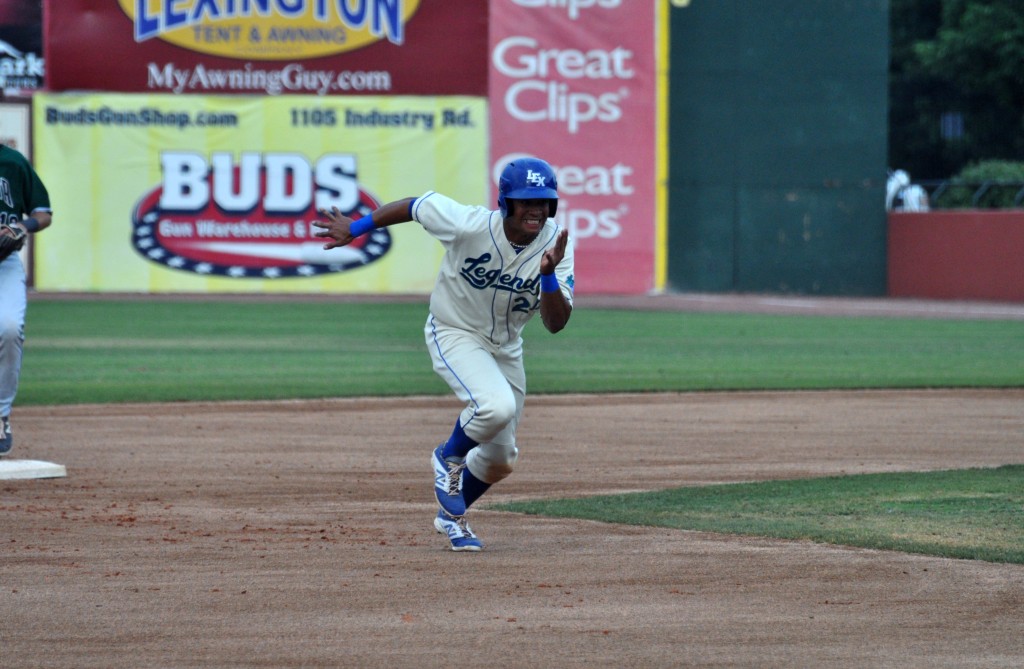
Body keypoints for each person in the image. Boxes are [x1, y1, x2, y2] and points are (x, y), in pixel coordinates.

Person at [313, 156, 574, 552]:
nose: (535, 208)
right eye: (526, 200)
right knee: (495, 406)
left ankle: (451, 517)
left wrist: (548, 274)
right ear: (506, 202)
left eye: (543, 201)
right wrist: (357, 227)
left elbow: (556, 323)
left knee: (502, 459)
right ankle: (448, 456)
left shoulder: (556, 246)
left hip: (506, 348)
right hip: (454, 331)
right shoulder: (468, 223)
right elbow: (416, 206)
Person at [0, 143, 52, 457]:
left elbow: (43, 213)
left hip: (4, 263)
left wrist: (22, 226)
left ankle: (0, 413)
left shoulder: (12, 162)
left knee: (8, 329)